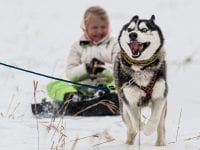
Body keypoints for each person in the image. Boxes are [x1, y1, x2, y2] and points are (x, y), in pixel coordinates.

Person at [47, 5, 119, 116]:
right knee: (54, 85)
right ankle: (72, 98)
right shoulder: (77, 46)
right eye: (95, 27)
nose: (99, 31)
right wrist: (86, 68)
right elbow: (71, 73)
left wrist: (102, 68)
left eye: (103, 27)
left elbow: (119, 70)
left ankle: (109, 98)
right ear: (85, 27)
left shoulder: (114, 45)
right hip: (82, 90)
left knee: (122, 84)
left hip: (107, 88)